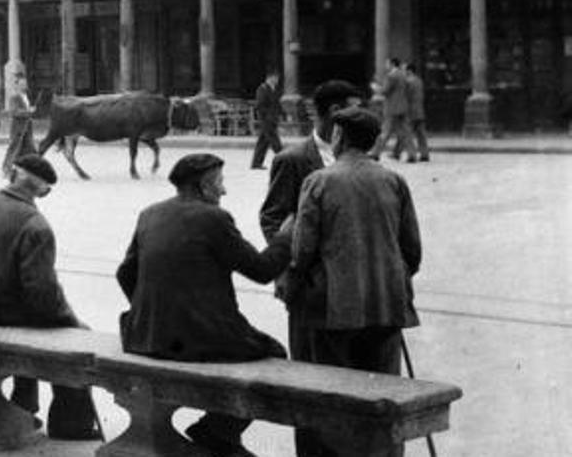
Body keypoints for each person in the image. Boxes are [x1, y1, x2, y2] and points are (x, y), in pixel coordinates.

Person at [116, 153, 294, 457]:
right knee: (275, 355)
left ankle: (219, 433)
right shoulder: (214, 219)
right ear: (204, 186)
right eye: (220, 183)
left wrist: (153, 311)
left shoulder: (150, 213)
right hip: (197, 338)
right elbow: (262, 271)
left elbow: (124, 273)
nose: (224, 191)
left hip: (143, 337)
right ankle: (219, 430)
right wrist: (286, 236)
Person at [288, 106, 422, 457]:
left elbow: (302, 250)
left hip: (337, 307)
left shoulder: (319, 181)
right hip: (387, 304)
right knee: (384, 395)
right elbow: (412, 249)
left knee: (336, 397)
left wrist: (296, 284)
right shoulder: (394, 180)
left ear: (339, 137)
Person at [0, 154, 100, 440]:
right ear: (44, 190)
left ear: (12, 175)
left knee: (35, 324)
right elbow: (42, 293)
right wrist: (71, 321)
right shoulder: (36, 224)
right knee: (75, 338)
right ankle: (71, 424)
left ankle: (25, 403)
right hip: (7, 317)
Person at [257, 79, 367, 456]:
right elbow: (272, 220)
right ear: (328, 115)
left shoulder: (364, 158)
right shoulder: (292, 159)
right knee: (312, 386)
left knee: (359, 386)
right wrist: (293, 267)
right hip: (311, 291)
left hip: (358, 292)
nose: (357, 119)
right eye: (348, 111)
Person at [370, 58, 415, 162]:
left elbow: (385, 91)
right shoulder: (404, 76)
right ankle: (412, 154)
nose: (386, 65)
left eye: (387, 63)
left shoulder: (391, 76)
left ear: (392, 64)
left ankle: (376, 153)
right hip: (403, 107)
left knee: (385, 132)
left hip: (392, 108)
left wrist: (376, 88)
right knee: (406, 132)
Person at [0, 74, 37, 174]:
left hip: (28, 127)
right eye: (21, 84)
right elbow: (14, 112)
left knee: (30, 149)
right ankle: (6, 168)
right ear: (17, 85)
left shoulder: (26, 97)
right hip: (18, 128)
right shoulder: (14, 97)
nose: (24, 85)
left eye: (25, 84)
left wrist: (30, 111)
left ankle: (29, 169)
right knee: (14, 149)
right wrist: (28, 111)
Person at [395, 63, 430, 163]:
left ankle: (411, 155)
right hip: (420, 110)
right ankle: (424, 154)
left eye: (405, 70)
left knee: (407, 134)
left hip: (410, 111)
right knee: (421, 134)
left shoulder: (407, 82)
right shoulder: (419, 81)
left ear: (409, 71)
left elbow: (403, 95)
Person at [250, 70, 283, 170]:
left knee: (263, 142)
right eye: (275, 78)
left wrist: (280, 114)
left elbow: (277, 104)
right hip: (266, 119)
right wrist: (267, 116)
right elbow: (260, 105)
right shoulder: (262, 89)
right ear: (270, 78)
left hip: (273, 118)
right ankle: (284, 159)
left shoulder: (275, 89)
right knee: (275, 141)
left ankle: (256, 163)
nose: (277, 80)